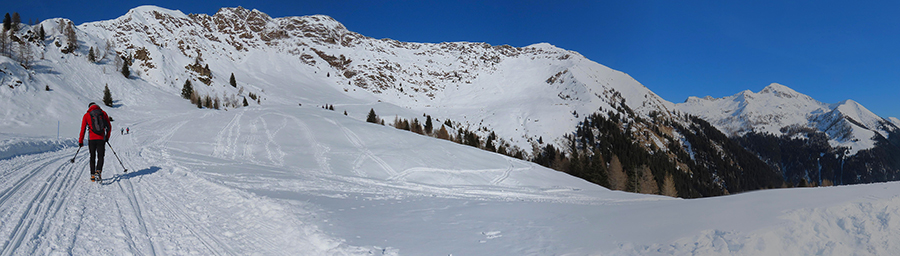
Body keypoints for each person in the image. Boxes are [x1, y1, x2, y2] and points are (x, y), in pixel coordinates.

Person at [79, 102, 112, 182]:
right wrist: (107, 137)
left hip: (91, 139)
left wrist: (81, 141)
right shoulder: (103, 113)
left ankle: (92, 175)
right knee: (101, 156)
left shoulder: (87, 115)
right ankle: (98, 171)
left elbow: (83, 129)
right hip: (101, 139)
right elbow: (109, 126)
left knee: (92, 156)